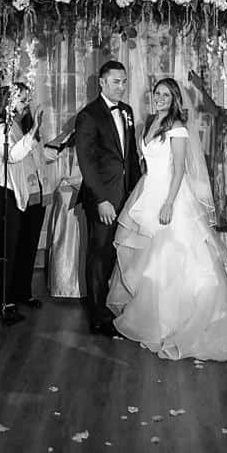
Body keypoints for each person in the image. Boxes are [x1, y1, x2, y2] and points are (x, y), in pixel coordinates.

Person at [106, 77, 227, 361]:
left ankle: (180, 325)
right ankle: (158, 322)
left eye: (166, 94)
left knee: (173, 261)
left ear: (175, 99)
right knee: (150, 264)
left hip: (171, 198)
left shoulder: (177, 129)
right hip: (148, 192)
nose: (159, 98)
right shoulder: (150, 124)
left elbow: (179, 169)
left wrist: (168, 203)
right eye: (157, 93)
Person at [74, 60, 140, 339]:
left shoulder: (127, 111)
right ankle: (97, 317)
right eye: (116, 81)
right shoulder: (88, 115)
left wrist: (138, 192)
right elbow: (86, 162)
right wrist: (101, 199)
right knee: (99, 255)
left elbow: (131, 158)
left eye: (124, 81)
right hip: (103, 199)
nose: (122, 87)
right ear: (101, 82)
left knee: (118, 254)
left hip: (126, 195)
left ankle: (113, 308)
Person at [0, 83, 49, 325]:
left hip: (21, 192)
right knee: (5, 249)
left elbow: (30, 158)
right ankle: (3, 302)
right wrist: (35, 129)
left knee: (21, 247)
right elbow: (13, 156)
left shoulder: (19, 126)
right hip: (2, 194)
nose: (26, 104)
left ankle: (19, 294)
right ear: (7, 102)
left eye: (27, 99)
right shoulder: (0, 129)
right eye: (21, 100)